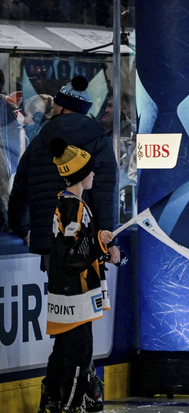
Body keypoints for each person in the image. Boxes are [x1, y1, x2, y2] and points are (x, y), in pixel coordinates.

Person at [10, 76, 119, 273]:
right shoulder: (99, 140)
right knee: (86, 297)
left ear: (61, 107)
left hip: (50, 239)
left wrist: (22, 228)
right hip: (88, 239)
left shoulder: (38, 140)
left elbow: (20, 189)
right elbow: (105, 193)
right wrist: (110, 239)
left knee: (59, 300)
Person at [39, 137, 111, 413]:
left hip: (65, 289)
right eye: (89, 170)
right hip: (75, 292)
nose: (93, 173)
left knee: (64, 349)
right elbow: (70, 254)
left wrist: (100, 247)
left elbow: (74, 249)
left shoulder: (69, 203)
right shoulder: (74, 207)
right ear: (80, 176)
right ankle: (71, 405)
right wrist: (97, 242)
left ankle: (52, 401)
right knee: (79, 352)